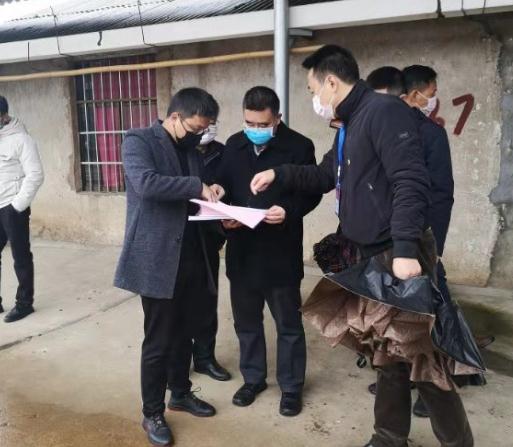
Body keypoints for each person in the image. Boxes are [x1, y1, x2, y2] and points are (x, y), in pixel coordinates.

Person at [250, 46, 474, 447]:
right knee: (387, 353)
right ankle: (388, 437)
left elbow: (410, 180)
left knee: (421, 355)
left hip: (394, 254)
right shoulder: (351, 123)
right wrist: (278, 173)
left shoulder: (383, 113)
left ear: (331, 82)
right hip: (368, 254)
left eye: (313, 89)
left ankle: (457, 443)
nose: (314, 98)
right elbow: (325, 175)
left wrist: (405, 250)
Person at [367, 65, 489, 417]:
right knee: (397, 315)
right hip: (387, 240)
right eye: (431, 92)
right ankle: (402, 377)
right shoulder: (379, 129)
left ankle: (440, 380)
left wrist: (433, 247)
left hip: (421, 241)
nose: (432, 99)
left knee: (431, 313)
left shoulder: (429, 135)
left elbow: (440, 196)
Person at [114, 88, 225, 447]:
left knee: (185, 332)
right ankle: (152, 413)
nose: (199, 135)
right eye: (195, 128)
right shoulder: (138, 140)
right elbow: (146, 184)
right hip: (157, 257)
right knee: (159, 339)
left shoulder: (190, 148)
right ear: (175, 117)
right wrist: (197, 185)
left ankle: (180, 393)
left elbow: (191, 197)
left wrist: (214, 197)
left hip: (191, 253)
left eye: (204, 130)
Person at [217, 86, 321, 417]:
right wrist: (224, 212)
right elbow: (224, 186)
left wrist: (289, 210)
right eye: (249, 123)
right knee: (247, 323)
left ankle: (291, 387)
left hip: (280, 250)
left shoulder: (299, 147)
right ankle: (253, 379)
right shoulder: (234, 144)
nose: (255, 130)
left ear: (277, 118)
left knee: (288, 325)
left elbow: (312, 192)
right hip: (242, 250)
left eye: (262, 124)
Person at [191, 123, 231, 381]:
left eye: (211, 122)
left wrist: (221, 188)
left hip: (209, 235)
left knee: (207, 298)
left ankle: (205, 358)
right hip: (180, 235)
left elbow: (231, 183)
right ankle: (176, 362)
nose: (206, 128)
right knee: (179, 304)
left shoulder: (223, 152)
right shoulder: (176, 152)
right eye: (201, 123)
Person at [0, 95, 44, 323]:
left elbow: (35, 175)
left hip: (13, 208)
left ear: (3, 116)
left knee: (20, 256)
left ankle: (24, 304)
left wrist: (17, 206)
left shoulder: (22, 139)